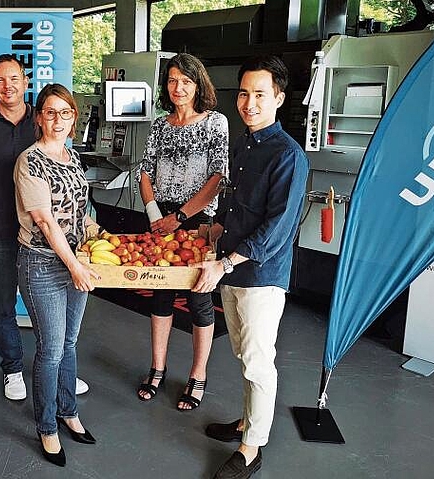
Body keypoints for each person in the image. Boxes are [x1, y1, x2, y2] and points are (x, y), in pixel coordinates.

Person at [192, 55, 309, 479]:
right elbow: (232, 202)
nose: (250, 103)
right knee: (242, 352)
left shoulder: (288, 156)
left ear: (279, 97)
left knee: (258, 360)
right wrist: (216, 228)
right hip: (231, 267)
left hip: (260, 274)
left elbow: (276, 229)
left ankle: (251, 448)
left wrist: (224, 262)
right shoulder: (241, 144)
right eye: (244, 93)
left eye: (260, 94)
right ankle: (248, 420)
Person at [0, 54, 89, 401]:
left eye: (14, 78)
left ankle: (61, 370)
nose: (8, 86)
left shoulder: (44, 116)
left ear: (26, 81)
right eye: (0, 80)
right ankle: (12, 367)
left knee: (55, 307)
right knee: (2, 303)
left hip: (43, 235)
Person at [135, 53, 229, 411]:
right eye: (172, 80)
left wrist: (179, 216)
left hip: (198, 222)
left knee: (199, 299)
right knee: (160, 296)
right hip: (161, 221)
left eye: (186, 81)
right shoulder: (160, 125)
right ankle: (157, 369)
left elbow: (218, 178)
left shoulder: (215, 123)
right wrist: (155, 214)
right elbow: (144, 172)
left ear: (198, 85)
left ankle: (198, 374)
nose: (178, 88)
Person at [14, 84, 101, 467]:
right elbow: (46, 223)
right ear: (38, 117)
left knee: (69, 342)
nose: (58, 120)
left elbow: (79, 208)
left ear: (74, 117)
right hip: (42, 263)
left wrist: (95, 232)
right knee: (50, 350)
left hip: (76, 260)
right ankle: (47, 427)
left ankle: (68, 411)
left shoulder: (73, 156)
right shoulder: (30, 161)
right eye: (50, 112)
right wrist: (75, 266)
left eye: (66, 113)